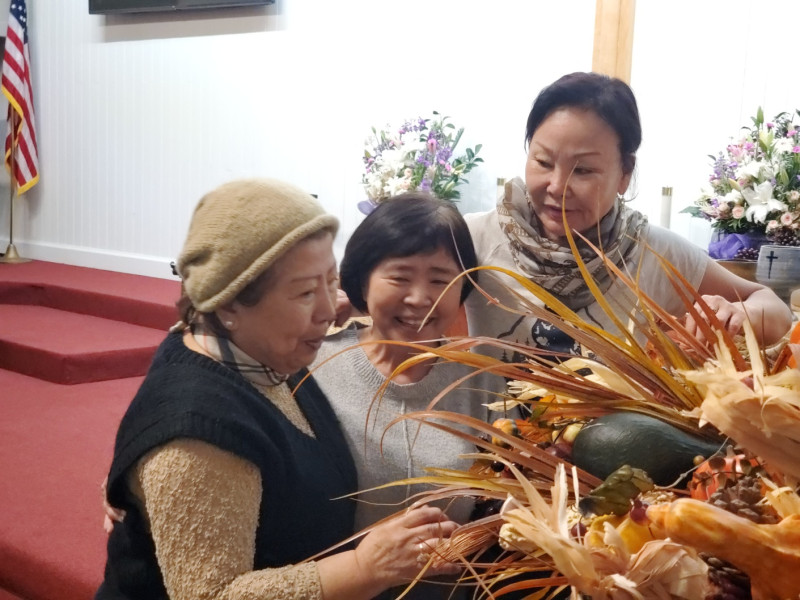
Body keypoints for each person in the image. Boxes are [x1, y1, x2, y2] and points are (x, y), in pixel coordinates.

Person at [96, 179, 461, 600]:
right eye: (306, 291)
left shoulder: (251, 348)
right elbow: (212, 595)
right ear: (229, 303)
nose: (330, 309)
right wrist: (365, 566)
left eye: (331, 281)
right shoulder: (196, 437)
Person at [464, 71, 792, 359]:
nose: (557, 186)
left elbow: (773, 307)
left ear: (624, 173)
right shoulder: (472, 240)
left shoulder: (652, 252)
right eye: (543, 162)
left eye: (583, 170)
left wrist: (738, 315)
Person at [311, 193, 494, 599]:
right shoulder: (312, 365)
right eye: (400, 277)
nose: (419, 298)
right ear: (362, 280)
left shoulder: (485, 383)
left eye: (440, 280)